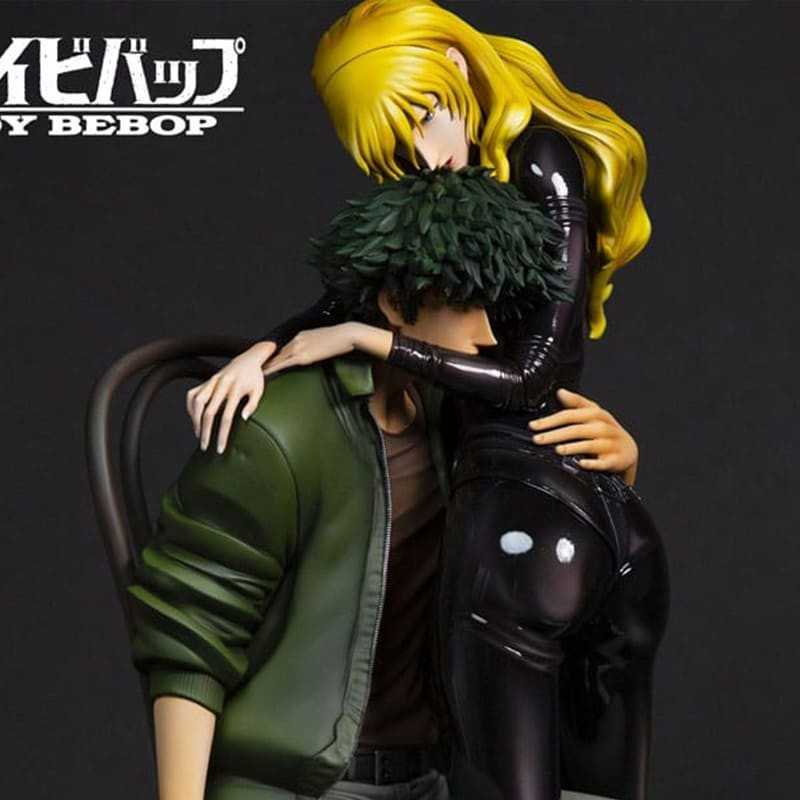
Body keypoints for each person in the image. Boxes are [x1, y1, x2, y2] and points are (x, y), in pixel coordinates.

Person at [184, 3, 668, 798]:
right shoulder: (453, 189)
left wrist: (372, 342)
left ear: (455, 60)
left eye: (422, 116)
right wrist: (261, 352)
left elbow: (531, 375)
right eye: (396, 148)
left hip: (522, 517)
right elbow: (352, 295)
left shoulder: (541, 160)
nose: (424, 156)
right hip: (605, 518)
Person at [125, 165, 596, 800]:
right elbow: (192, 628)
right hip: (299, 786)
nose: (488, 336)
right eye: (466, 305)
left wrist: (612, 463)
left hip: (436, 778)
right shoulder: (282, 431)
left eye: (496, 310)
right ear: (396, 306)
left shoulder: (453, 422)